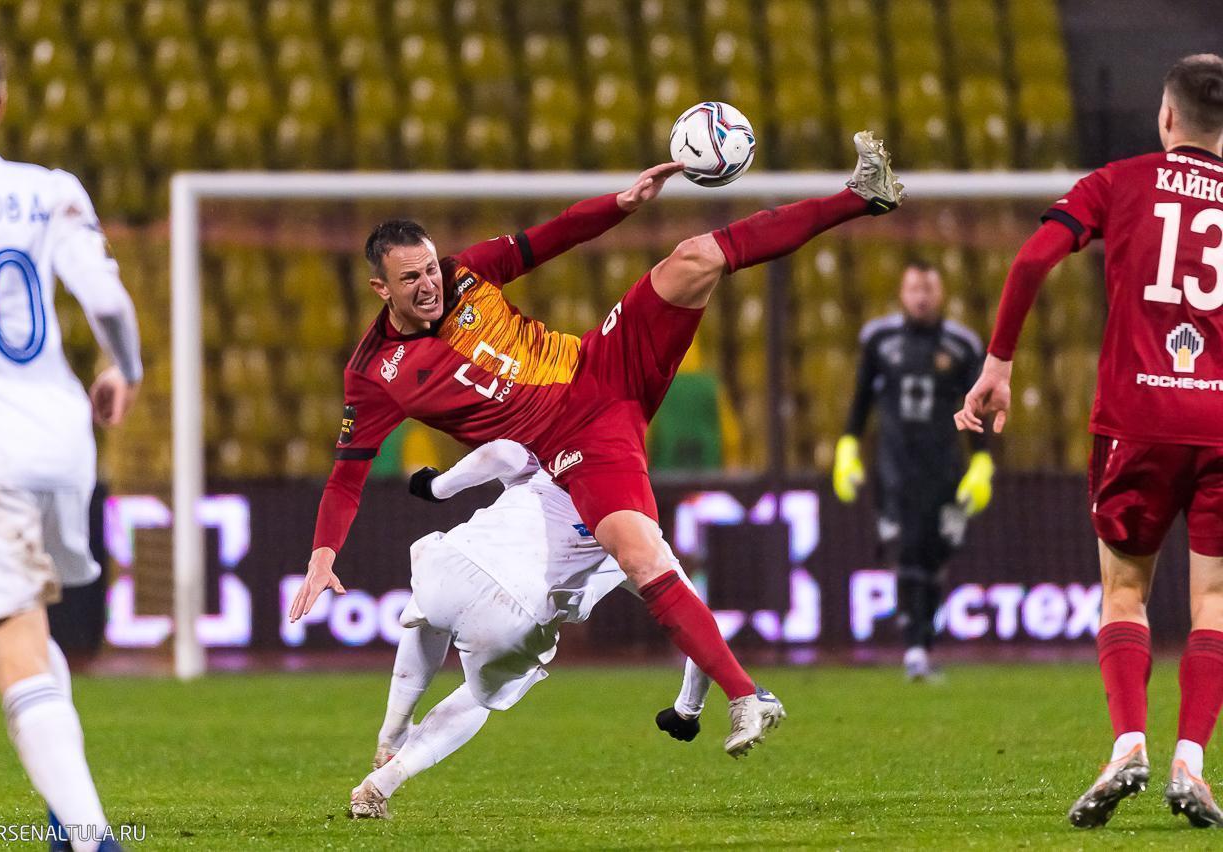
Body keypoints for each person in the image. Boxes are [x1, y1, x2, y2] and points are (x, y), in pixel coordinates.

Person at [289, 130, 903, 756]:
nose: (429, 285)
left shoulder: (465, 272)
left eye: (428, 269)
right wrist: (322, 555)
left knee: (694, 257)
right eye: (410, 278)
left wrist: (621, 203)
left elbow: (551, 237)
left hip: (602, 362)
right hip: (574, 443)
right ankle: (746, 696)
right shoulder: (373, 374)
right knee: (640, 557)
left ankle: (861, 196)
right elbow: (347, 475)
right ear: (381, 289)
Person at [957, 54, 1223, 829]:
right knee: (1213, 601)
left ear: (1166, 116)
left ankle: (1129, 744)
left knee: (1125, 591)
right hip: (1219, 425)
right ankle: (1191, 761)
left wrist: (999, 364)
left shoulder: (1121, 180)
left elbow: (1033, 257)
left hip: (1136, 420)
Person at [0, 23, 140, 852]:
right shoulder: (48, 189)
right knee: (35, 624)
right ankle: (68, 823)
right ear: (0, 102)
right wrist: (123, 369)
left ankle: (92, 838)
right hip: (62, 442)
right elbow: (108, 302)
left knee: (11, 641)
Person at [349, 440, 713, 819]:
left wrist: (437, 486)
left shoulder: (548, 463)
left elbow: (500, 452)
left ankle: (393, 730)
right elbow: (699, 626)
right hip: (513, 613)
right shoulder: (641, 537)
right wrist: (687, 710)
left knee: (427, 614)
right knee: (479, 696)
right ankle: (382, 783)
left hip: (452, 564)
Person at [833, 260, 993, 680]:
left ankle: (923, 643)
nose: (921, 298)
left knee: (935, 556)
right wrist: (848, 445)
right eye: (914, 289)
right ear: (902, 294)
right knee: (904, 551)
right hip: (894, 468)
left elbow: (977, 408)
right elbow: (861, 399)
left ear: (941, 294)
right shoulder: (878, 340)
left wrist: (981, 460)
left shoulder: (963, 345)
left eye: (929, 289)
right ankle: (915, 649)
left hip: (944, 468)